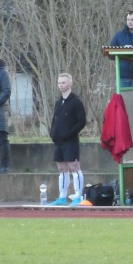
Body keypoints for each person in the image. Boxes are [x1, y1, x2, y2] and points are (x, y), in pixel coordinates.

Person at [47, 73, 87, 206]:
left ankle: (78, 196)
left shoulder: (76, 101)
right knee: (62, 168)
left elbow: (81, 122)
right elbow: (55, 119)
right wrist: (53, 133)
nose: (61, 85)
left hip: (70, 140)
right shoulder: (59, 102)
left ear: (70, 83)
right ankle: (62, 197)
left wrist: (69, 133)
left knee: (74, 167)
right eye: (59, 83)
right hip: (58, 141)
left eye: (63, 83)